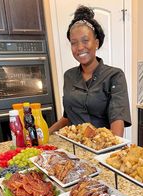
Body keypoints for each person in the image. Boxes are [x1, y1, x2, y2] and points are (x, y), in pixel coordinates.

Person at [49, 5, 131, 137]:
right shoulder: (68, 76)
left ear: (97, 43)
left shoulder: (115, 76)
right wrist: (46, 134)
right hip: (72, 147)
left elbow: (117, 123)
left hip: (101, 149)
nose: (80, 47)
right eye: (73, 43)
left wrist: (110, 150)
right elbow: (67, 117)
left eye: (85, 40)